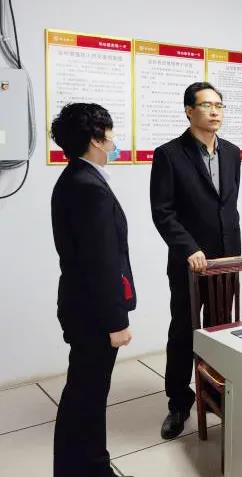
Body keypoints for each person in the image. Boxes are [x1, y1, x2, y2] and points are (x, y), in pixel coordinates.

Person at [150, 82, 242, 440]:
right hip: (188, 260)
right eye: (206, 105)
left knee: (221, 328)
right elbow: (163, 211)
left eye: (219, 104)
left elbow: (227, 208)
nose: (215, 111)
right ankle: (178, 402)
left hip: (225, 259)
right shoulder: (169, 154)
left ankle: (216, 392)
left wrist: (232, 252)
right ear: (189, 110)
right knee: (184, 331)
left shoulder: (232, 153)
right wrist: (188, 248)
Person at [50, 103, 135, 477]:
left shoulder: (77, 177)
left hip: (82, 307)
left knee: (84, 396)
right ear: (96, 139)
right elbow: (101, 262)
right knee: (86, 398)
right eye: (111, 134)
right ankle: (89, 469)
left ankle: (88, 467)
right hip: (94, 314)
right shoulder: (88, 188)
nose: (114, 142)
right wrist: (117, 321)